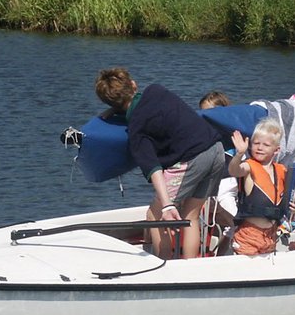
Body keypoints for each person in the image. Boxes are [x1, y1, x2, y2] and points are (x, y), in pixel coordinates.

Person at [95, 67, 224, 260]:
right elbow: (144, 107)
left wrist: (166, 205)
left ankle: (164, 263)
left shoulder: (136, 130)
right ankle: (191, 266)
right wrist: (117, 109)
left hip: (192, 158)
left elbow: (153, 168)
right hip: (216, 150)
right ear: (133, 84)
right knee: (191, 215)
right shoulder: (157, 91)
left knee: (154, 215)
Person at [228, 119, 295, 256]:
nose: (259, 148)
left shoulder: (282, 171)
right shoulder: (248, 166)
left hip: (271, 235)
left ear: (276, 150)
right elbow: (234, 170)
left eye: (266, 145)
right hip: (249, 234)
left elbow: (290, 200)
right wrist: (239, 154)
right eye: (256, 143)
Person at [199, 90, 238, 255]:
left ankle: (226, 253)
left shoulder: (231, 134)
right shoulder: (202, 134)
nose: (207, 117)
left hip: (227, 183)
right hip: (210, 183)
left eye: (211, 113)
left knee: (235, 222)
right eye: (203, 113)